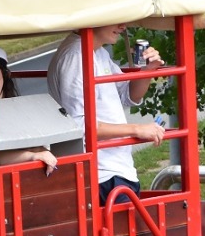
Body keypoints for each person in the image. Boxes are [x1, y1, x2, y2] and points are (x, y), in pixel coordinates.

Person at [46, 23, 163, 207]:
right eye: (115, 18)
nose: (123, 26)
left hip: (115, 171)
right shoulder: (77, 56)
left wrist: (148, 71)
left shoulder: (97, 52)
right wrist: (136, 129)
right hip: (102, 176)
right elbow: (80, 125)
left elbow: (128, 94)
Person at [0, 47, 57, 175]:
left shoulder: (22, 109)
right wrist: (31, 156)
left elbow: (39, 145)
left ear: (5, 74)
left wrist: (38, 151)